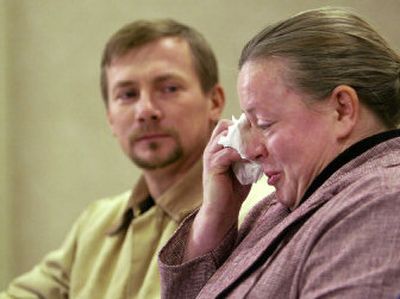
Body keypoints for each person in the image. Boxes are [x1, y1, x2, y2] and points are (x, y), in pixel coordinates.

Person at [158, 7, 400, 298]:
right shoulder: (279, 206)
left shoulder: (384, 202)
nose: (249, 150)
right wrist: (215, 217)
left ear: (342, 109)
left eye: (264, 123)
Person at [1, 19, 227, 298]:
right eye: (127, 94)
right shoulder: (96, 223)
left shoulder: (253, 213)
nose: (145, 110)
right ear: (110, 117)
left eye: (168, 88)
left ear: (215, 101)